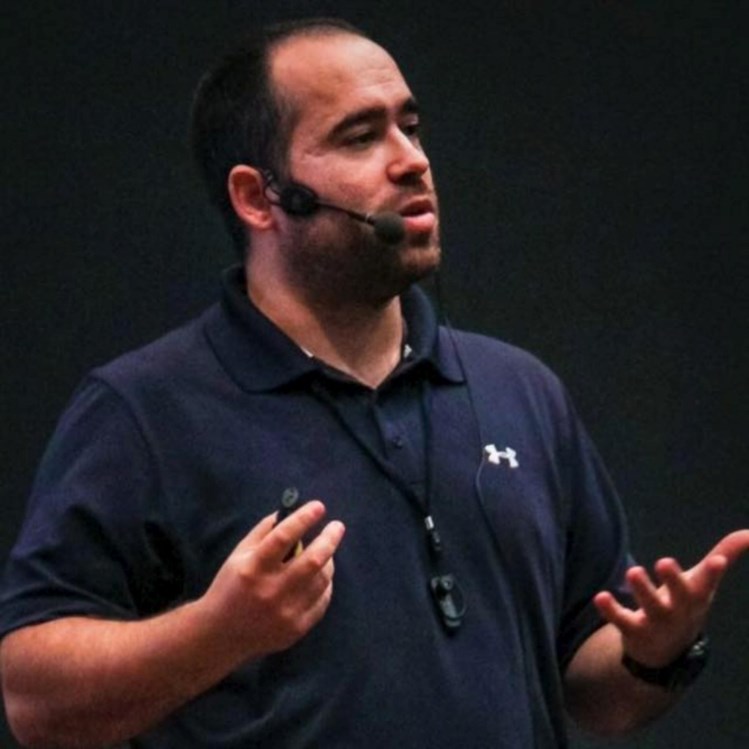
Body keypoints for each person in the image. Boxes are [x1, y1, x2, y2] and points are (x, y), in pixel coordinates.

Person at [1, 17, 747, 749]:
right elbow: (34, 702)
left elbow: (593, 691)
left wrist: (654, 654)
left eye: (410, 128)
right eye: (360, 137)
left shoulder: (519, 391)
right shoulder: (147, 410)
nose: (411, 161)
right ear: (259, 197)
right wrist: (216, 633)